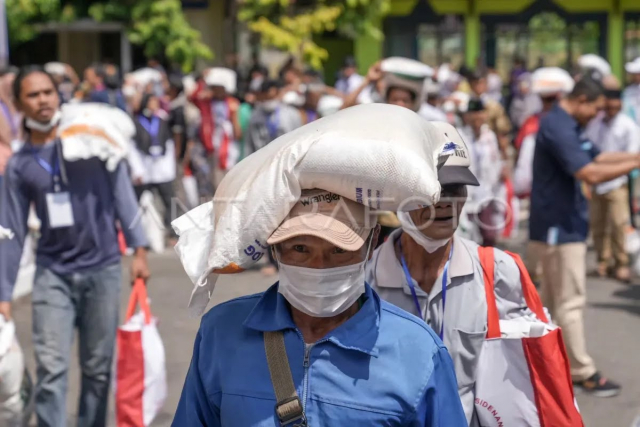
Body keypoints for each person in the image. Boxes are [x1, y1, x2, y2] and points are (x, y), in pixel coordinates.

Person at [173, 189, 467, 426]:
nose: (319, 267)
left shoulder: (419, 352)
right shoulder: (221, 333)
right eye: (300, 248)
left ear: (372, 241)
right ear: (274, 248)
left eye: (339, 250)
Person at [0, 66, 150, 426]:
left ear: (58, 94)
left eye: (47, 92)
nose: (43, 101)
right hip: (53, 275)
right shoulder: (20, 166)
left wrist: (140, 248)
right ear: (19, 105)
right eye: (33, 95)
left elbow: (122, 195)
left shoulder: (92, 141)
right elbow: (12, 230)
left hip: (103, 269)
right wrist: (3, 291)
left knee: (97, 370)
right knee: (52, 370)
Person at [367, 135, 537, 426]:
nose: (444, 200)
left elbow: (526, 368)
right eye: (429, 189)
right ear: (397, 196)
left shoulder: (497, 272)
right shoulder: (363, 281)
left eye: (455, 188)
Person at [529, 77, 640, 397]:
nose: (597, 114)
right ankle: (581, 371)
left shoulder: (566, 124)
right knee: (569, 302)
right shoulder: (559, 126)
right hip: (558, 229)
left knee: (551, 303)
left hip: (559, 226)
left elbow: (599, 157)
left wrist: (634, 158)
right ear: (580, 99)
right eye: (595, 107)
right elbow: (589, 173)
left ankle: (545, 364)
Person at [585, 88, 640, 281]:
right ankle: (603, 261)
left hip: (617, 181)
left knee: (618, 223)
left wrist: (603, 163)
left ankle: (621, 262)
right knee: (598, 223)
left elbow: (633, 155)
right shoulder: (595, 123)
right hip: (595, 180)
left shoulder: (628, 126)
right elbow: (588, 150)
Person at [131, 93, 177, 241]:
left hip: (162, 169)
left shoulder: (162, 121)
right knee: (139, 202)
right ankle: (138, 235)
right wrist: (137, 169)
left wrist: (170, 168)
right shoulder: (137, 122)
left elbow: (169, 144)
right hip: (145, 169)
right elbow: (133, 148)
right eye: (151, 101)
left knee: (169, 200)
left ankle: (171, 232)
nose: (154, 104)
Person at [458, 99, 503, 246]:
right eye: (473, 114)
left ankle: (487, 267)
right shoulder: (460, 135)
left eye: (480, 114)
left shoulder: (489, 136)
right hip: (467, 195)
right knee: (467, 237)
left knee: (489, 236)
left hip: (486, 194)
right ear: (467, 116)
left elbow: (495, 162)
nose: (477, 118)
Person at [189, 69, 242, 190]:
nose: (216, 90)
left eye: (219, 87)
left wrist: (234, 117)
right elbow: (192, 97)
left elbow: (237, 129)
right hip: (210, 145)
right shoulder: (206, 102)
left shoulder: (232, 103)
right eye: (214, 87)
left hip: (227, 146)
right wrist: (203, 80)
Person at [245, 80, 303, 156]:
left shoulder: (292, 114)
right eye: (266, 97)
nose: (269, 101)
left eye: (273, 97)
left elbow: (299, 138)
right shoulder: (255, 116)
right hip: (261, 160)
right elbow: (249, 144)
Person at [468, 70, 512, 157]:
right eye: (475, 83)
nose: (478, 86)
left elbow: (501, 130)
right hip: (468, 143)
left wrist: (504, 154)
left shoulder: (493, 106)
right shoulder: (464, 103)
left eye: (481, 83)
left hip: (488, 146)